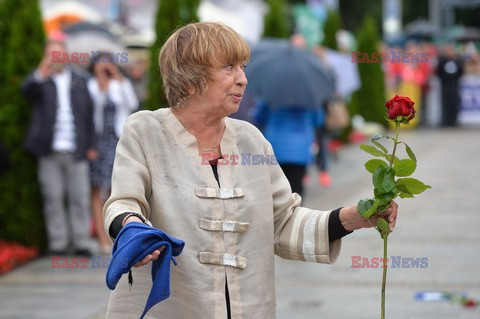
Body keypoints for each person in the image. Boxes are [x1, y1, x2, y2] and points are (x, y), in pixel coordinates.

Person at [102, 22, 398, 318]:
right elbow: (124, 201)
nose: (243, 79)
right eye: (228, 67)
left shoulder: (251, 140)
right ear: (190, 78)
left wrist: (352, 218)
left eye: (243, 67)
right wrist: (131, 228)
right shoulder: (145, 131)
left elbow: (283, 222)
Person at [22, 31, 96, 256]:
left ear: (66, 53)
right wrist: (41, 72)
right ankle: (58, 243)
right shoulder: (41, 79)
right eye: (50, 52)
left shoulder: (80, 79)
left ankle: (81, 242)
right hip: (49, 150)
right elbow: (26, 92)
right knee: (53, 198)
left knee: (80, 198)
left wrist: (91, 144)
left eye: (58, 51)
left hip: (77, 149)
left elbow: (89, 115)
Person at [88, 52, 139, 254]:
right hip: (99, 142)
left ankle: (115, 235)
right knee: (97, 189)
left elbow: (132, 104)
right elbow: (92, 109)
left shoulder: (120, 84)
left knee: (115, 189)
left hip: (117, 141)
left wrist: (118, 77)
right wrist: (101, 86)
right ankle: (102, 238)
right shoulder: (91, 85)